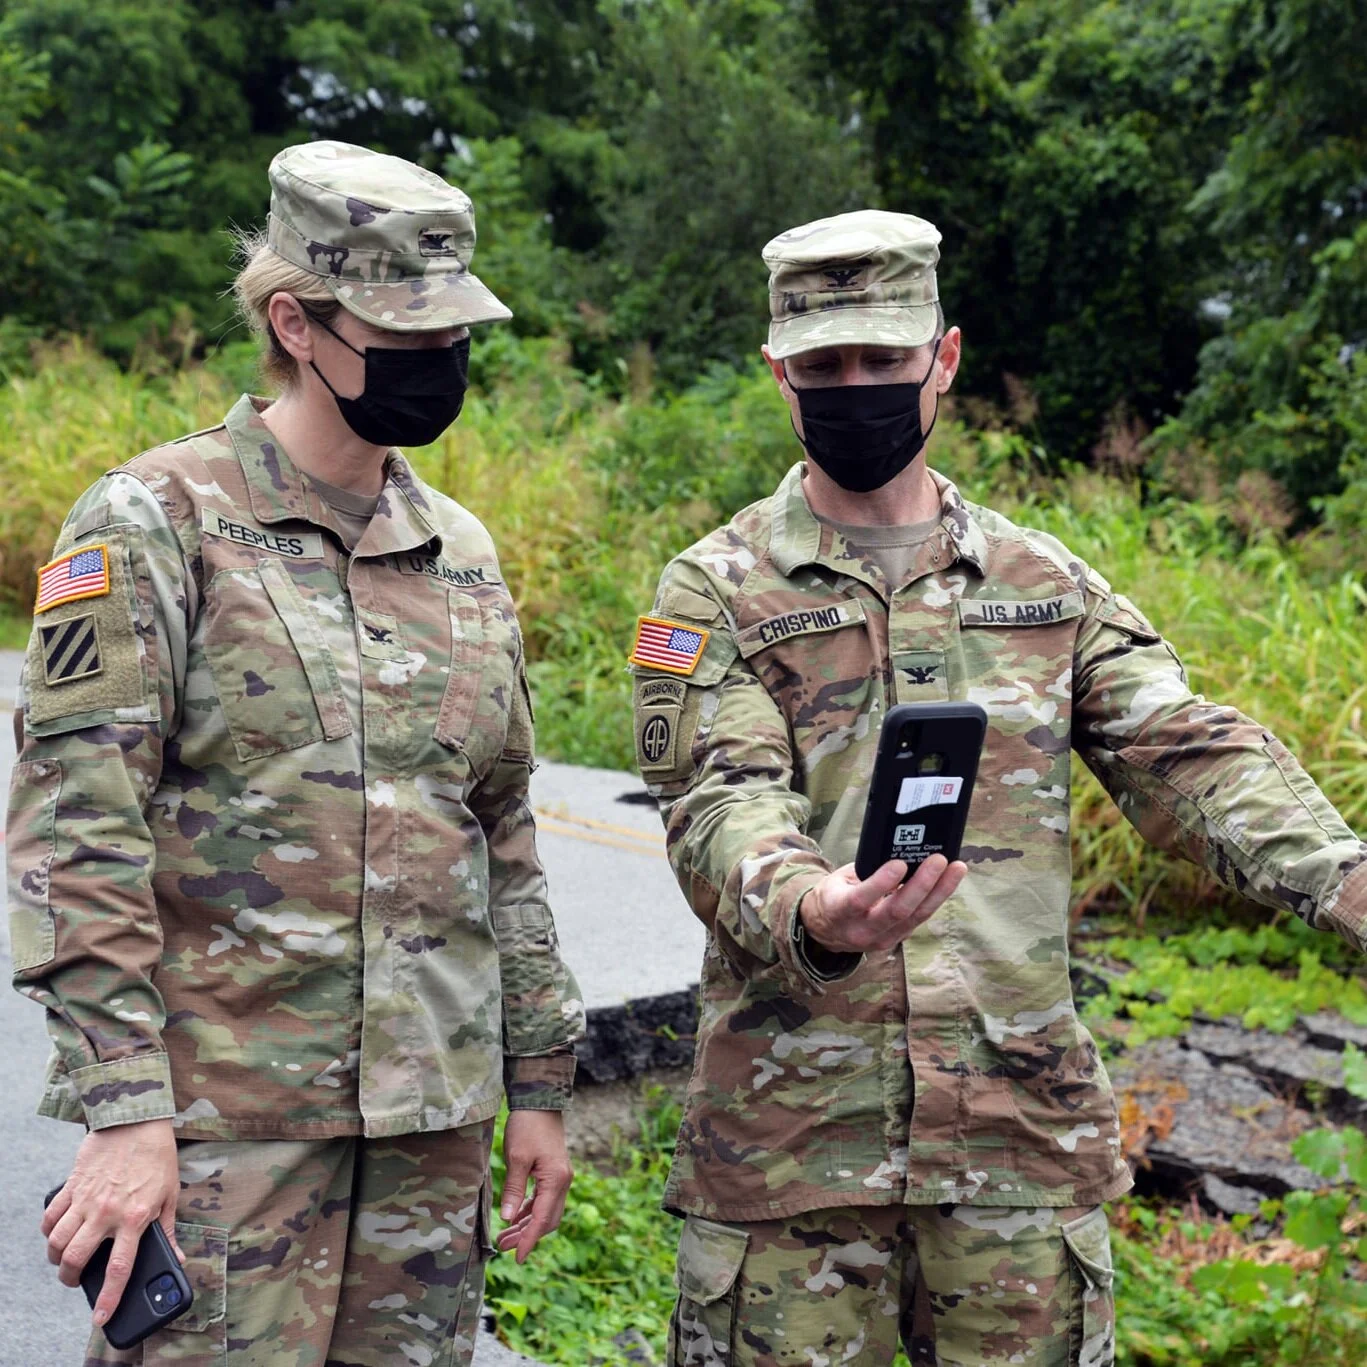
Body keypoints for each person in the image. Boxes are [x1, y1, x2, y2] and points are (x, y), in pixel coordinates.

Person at [628, 209, 1367, 1367]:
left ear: (944, 357)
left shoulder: (1043, 584)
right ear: (780, 376)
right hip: (791, 1159)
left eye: (883, 357)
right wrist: (813, 906)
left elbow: (1184, 748)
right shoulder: (710, 591)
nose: (855, 384)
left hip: (1015, 1154)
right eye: (825, 365)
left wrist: (1341, 876)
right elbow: (717, 801)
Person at [7, 139, 585, 1366]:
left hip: (427, 1141)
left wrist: (536, 1082)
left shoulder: (462, 552)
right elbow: (77, 830)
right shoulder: (156, 520)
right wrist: (124, 1109)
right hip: (226, 1139)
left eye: (452, 336)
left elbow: (504, 840)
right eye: (405, 333)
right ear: (296, 321)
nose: (437, 362)